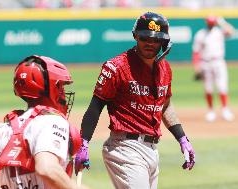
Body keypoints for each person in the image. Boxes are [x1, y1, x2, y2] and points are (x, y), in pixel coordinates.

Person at [75, 12, 195, 189]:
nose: (150, 43)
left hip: (152, 150)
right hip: (124, 148)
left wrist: (182, 138)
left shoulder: (165, 69)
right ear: (135, 36)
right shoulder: (116, 67)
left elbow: (165, 105)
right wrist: (83, 142)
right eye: (145, 38)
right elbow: (96, 105)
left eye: (156, 40)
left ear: (164, 42)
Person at [0, 55, 88, 189]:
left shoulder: (3, 129)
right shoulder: (52, 122)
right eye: (60, 87)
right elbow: (47, 169)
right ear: (49, 89)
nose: (63, 93)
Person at [192, 15, 235, 122]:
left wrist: (222, 21)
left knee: (222, 86)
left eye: (212, 22)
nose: (211, 24)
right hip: (205, 63)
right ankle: (211, 111)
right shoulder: (200, 34)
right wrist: (196, 67)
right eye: (209, 22)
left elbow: (231, 31)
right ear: (207, 22)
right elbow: (196, 52)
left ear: (215, 22)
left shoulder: (219, 31)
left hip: (219, 62)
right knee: (208, 88)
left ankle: (225, 110)